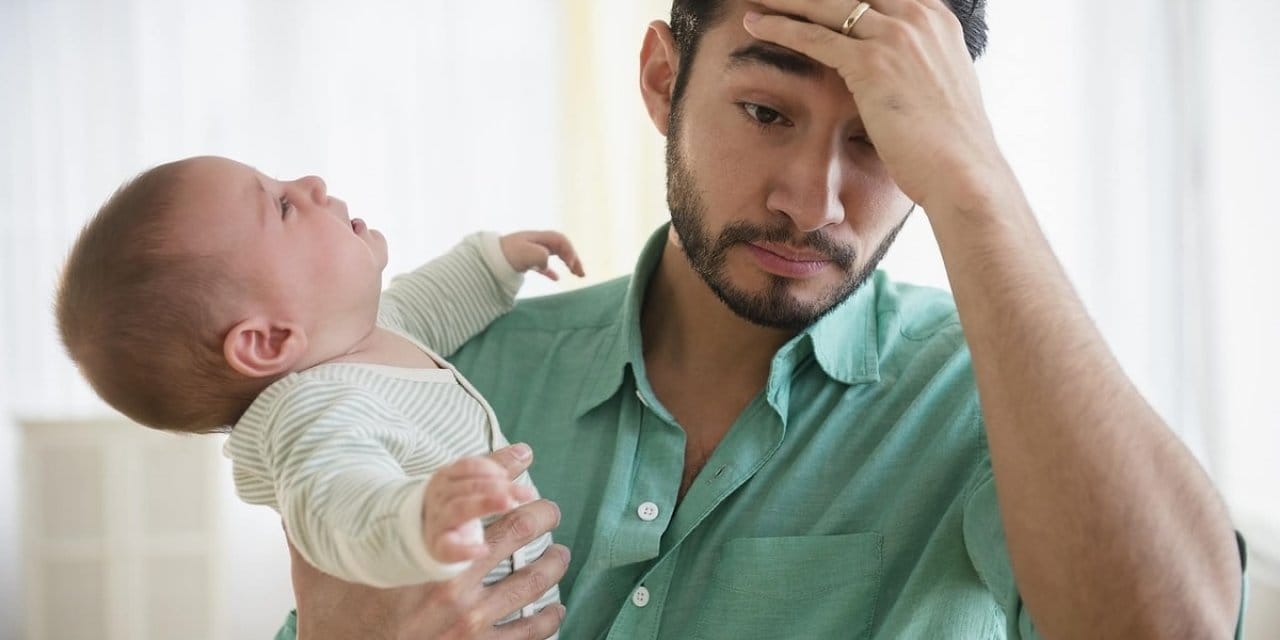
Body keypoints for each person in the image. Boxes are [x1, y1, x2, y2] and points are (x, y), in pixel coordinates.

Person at [282, 0, 1250, 638]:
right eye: (764, 112)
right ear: (663, 80)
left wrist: (976, 185)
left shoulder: (996, 404)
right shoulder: (448, 376)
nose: (810, 201)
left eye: (879, 137)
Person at [54, 156, 582, 629]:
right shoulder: (312, 414)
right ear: (268, 340)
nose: (311, 182)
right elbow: (341, 508)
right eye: (282, 207)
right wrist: (417, 519)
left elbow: (423, 305)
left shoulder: (364, 341)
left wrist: (492, 263)